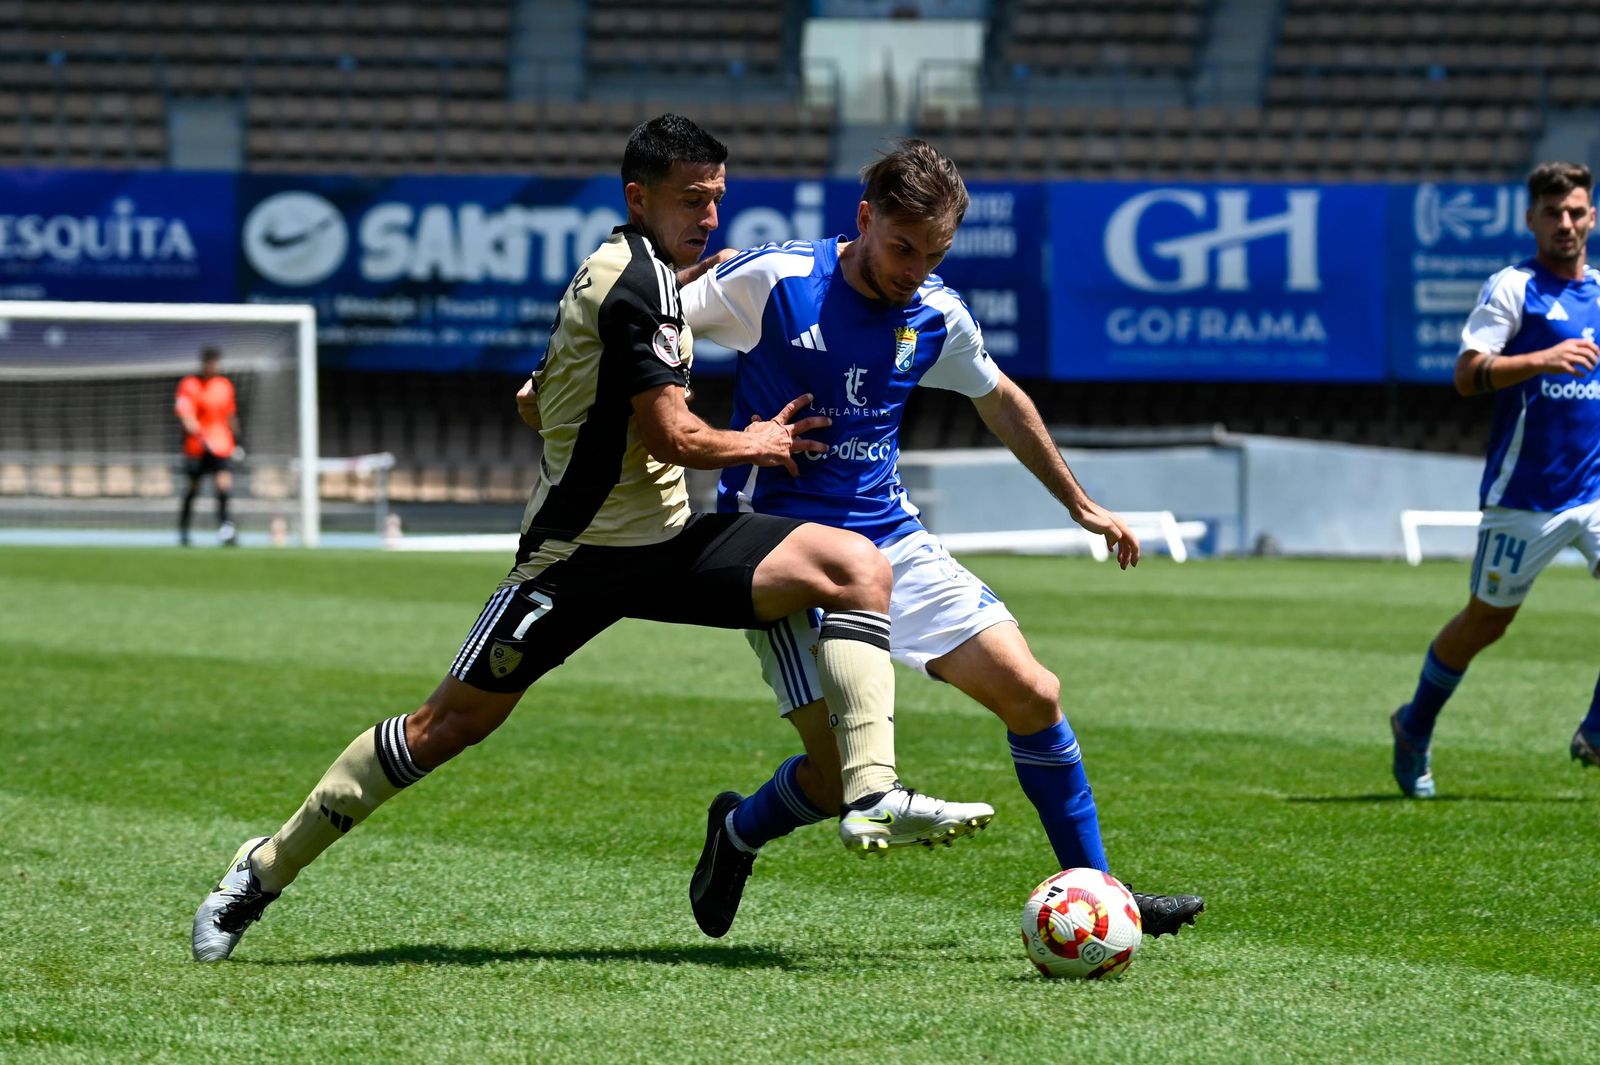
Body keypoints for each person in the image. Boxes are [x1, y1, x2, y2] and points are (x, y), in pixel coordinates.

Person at [191, 115, 993, 963]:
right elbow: (675, 437)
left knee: (855, 563)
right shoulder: (636, 286)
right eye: (692, 201)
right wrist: (753, 441)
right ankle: (263, 869)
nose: (709, 218)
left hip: (670, 544)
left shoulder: (653, 275)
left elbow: (543, 395)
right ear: (638, 197)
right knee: (443, 727)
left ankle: (871, 790)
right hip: (576, 559)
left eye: (717, 200)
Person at [675, 139, 1204, 939]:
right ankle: (739, 830)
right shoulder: (778, 281)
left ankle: (1102, 893)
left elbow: (1000, 400)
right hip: (778, 551)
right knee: (836, 775)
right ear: (864, 218)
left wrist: (1080, 504)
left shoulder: (935, 314)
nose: (913, 268)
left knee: (1035, 693)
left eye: (934, 253)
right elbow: (650, 322)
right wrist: (726, 431)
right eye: (901, 247)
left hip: (891, 541)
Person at [1390, 160, 1600, 798]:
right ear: (1532, 219)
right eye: (1554, 214)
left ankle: (1596, 729)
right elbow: (1466, 372)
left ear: (1591, 216)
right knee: (1487, 622)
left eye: (1577, 212)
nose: (1566, 224)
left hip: (1594, 492)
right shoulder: (1513, 287)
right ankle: (1414, 723)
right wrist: (1540, 357)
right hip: (1524, 497)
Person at [174, 346, 240, 546]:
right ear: (203, 364)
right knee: (193, 489)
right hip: (197, 448)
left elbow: (230, 415)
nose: (213, 366)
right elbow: (186, 415)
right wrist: (201, 436)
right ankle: (184, 530)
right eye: (209, 363)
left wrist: (238, 440)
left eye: (215, 363)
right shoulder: (189, 384)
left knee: (223, 486)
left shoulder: (224, 385)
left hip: (221, 447)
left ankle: (226, 530)